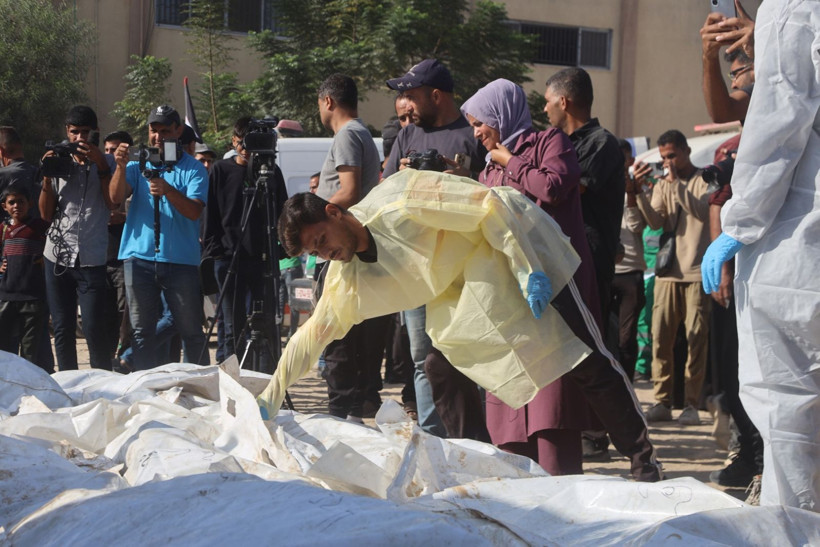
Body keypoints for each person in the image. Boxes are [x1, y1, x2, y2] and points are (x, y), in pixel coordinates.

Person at [258, 170, 662, 482]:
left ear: (334, 211)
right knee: (440, 367)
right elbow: (310, 336)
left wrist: (526, 269)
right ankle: (481, 465)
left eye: (322, 239)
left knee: (586, 358)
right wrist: (271, 395)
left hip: (515, 244)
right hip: (470, 285)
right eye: (316, 251)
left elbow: (487, 205)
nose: (326, 252)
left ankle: (644, 462)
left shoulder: (400, 201)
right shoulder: (346, 280)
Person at [459, 78, 624, 474]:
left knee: (552, 409)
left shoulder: (550, 143)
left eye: (480, 122)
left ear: (501, 115)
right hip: (511, 299)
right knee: (511, 412)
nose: (477, 132)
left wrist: (509, 161)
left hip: (554, 294)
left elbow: (553, 187)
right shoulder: (486, 169)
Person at [701, 0, 819, 512]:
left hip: (798, 244)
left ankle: (792, 525)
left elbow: (778, 122)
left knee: (787, 407)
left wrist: (739, 223)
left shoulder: (792, 8)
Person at [383, 58, 488, 440]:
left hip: (462, 269)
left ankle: (470, 440)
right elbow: (386, 189)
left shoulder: (472, 135)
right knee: (419, 360)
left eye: (410, 96)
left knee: (465, 355)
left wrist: (466, 178)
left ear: (436, 95)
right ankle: (430, 442)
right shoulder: (407, 136)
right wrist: (405, 176)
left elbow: (495, 196)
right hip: (416, 266)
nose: (404, 105)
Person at [543, 67, 625, 460]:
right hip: (563, 258)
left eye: (546, 101)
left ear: (564, 100)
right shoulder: (557, 142)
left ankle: (599, 435)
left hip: (590, 258)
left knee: (592, 347)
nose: (544, 110)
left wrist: (527, 169)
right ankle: (575, 428)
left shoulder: (602, 143)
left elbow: (568, 185)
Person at [700, 0, 763, 493]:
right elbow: (723, 109)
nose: (736, 73)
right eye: (730, 65)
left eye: (744, 61)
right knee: (743, 362)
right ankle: (753, 450)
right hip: (756, 256)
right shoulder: (741, 144)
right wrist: (706, 58)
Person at [109, 105, 210, 370]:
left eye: (166, 130)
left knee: (191, 331)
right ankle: (143, 389)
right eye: (154, 130)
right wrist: (119, 167)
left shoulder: (194, 169)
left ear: (178, 131)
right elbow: (115, 198)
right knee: (141, 332)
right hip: (138, 258)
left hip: (180, 261)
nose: (158, 137)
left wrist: (168, 190)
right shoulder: (137, 162)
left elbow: (194, 211)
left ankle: (202, 389)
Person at [314, 73, 388, 422]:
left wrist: (309, 219)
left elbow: (349, 191)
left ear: (328, 101)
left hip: (342, 250)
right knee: (356, 335)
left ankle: (342, 409)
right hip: (355, 249)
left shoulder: (346, 135)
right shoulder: (362, 134)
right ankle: (357, 406)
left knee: (337, 332)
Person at [633, 130, 711, 426]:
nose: (668, 162)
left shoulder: (704, 178)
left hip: (696, 273)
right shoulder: (663, 184)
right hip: (667, 275)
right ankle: (662, 401)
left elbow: (702, 211)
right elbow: (655, 221)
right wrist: (638, 192)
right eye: (664, 157)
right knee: (660, 339)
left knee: (696, 341)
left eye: (672, 155)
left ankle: (691, 404)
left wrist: (677, 184)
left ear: (687, 151)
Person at [201, 116, 288, 365]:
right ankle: (233, 382)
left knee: (264, 326)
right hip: (229, 261)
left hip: (262, 261)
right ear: (234, 142)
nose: (249, 151)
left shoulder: (272, 172)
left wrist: (280, 249)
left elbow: (282, 211)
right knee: (232, 328)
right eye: (244, 144)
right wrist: (216, 252)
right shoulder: (221, 170)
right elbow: (212, 216)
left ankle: (263, 382)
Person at [40, 105, 115, 371]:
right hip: (57, 254)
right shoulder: (58, 158)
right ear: (66, 132)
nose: (80, 139)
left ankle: (101, 387)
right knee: (62, 328)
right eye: (74, 133)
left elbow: (113, 203)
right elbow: (46, 214)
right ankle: (68, 386)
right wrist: (48, 177)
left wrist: (102, 165)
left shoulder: (109, 163)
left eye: (85, 132)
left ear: (95, 132)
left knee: (94, 328)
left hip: (91, 256)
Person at [0, 186, 50, 368]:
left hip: (33, 296)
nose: (16, 206)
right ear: (4, 206)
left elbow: (54, 249)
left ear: (29, 204)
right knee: (4, 349)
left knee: (30, 350)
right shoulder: (4, 229)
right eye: (11, 202)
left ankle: (29, 385)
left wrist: (46, 258)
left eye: (20, 201)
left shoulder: (40, 227)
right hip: (6, 297)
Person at [612, 139, 647, 382]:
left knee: (626, 336)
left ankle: (627, 386)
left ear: (631, 161)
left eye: (624, 159)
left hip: (631, 269)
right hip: (606, 268)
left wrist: (632, 193)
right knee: (605, 334)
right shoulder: (600, 184)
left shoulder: (639, 188)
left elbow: (637, 226)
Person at [102, 130, 134, 364]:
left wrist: (123, 216)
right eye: (108, 150)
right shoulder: (99, 176)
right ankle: (106, 361)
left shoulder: (134, 174)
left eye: (115, 150)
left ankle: (125, 359)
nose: (111, 155)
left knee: (127, 317)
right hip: (100, 258)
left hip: (125, 259)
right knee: (105, 317)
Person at [0, 127, 40, 220]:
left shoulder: (2, 175)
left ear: (1, 151)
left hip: (7, 233)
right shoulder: (39, 173)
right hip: (40, 233)